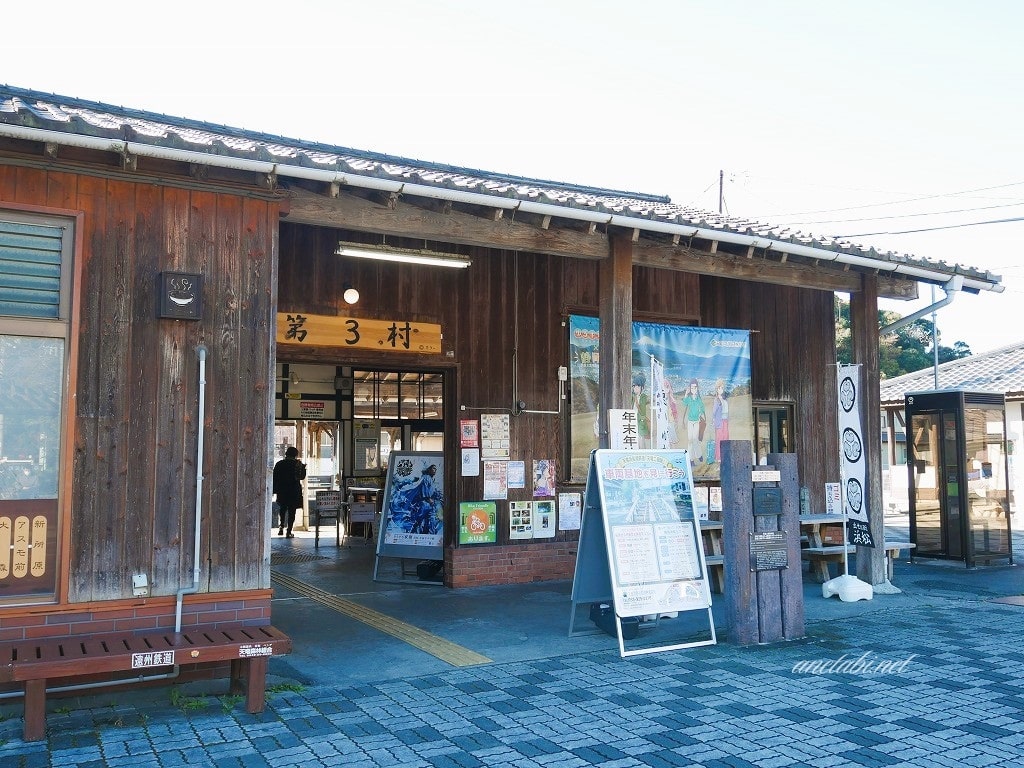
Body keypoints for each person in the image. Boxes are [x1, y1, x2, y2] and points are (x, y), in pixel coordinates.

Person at [273, 446, 305, 537]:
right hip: (294, 490)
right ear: (295, 455)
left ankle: (281, 527)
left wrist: (274, 490)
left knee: (282, 508)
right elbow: (302, 477)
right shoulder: (298, 464)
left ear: (286, 454)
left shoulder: (280, 464)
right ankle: (289, 531)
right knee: (292, 510)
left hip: (282, 490)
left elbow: (274, 477)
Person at [682, 378, 706, 463]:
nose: (693, 389)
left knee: (695, 439)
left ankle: (699, 455)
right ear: (690, 388)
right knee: (690, 440)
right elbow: (684, 403)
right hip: (690, 422)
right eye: (692, 388)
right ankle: (691, 459)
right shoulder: (689, 398)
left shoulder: (699, 399)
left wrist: (701, 415)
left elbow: (702, 409)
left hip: (696, 422)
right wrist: (686, 393)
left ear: (697, 388)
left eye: (695, 387)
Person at [631, 374, 651, 448]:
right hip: (632, 420)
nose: (636, 388)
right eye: (634, 386)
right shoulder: (632, 397)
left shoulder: (644, 397)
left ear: (642, 387)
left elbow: (650, 401)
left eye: (638, 386)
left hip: (641, 421)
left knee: (641, 440)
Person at [712, 378, 730, 463]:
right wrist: (714, 420)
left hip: (725, 421)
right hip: (719, 421)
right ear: (716, 389)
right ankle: (718, 457)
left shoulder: (725, 399)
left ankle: (724, 456)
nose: (720, 390)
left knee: (725, 438)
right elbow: (714, 411)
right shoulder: (716, 400)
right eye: (719, 388)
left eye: (722, 388)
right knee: (719, 439)